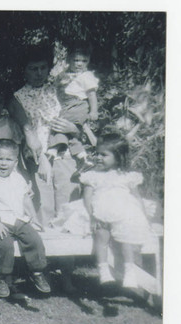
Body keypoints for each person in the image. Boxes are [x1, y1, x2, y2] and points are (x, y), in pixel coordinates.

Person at [8, 44, 81, 226]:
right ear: (24, 70)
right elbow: (23, 134)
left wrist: (73, 128)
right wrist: (41, 158)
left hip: (64, 154)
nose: (39, 73)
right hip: (37, 158)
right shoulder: (18, 98)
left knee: (69, 205)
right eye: (33, 69)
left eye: (42, 68)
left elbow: (77, 117)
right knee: (44, 208)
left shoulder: (58, 91)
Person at [0, 139, 50, 298]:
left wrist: (34, 217)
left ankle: (37, 272)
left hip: (18, 219)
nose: (3, 164)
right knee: (5, 244)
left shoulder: (17, 178)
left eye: (8, 160)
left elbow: (25, 199)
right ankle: (2, 277)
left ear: (15, 162)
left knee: (34, 239)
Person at [80, 133, 150, 288]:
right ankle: (103, 269)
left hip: (123, 212)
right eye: (96, 153)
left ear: (118, 157)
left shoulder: (127, 176)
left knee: (127, 232)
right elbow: (88, 198)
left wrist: (143, 216)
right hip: (99, 211)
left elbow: (137, 198)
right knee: (101, 234)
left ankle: (129, 269)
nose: (98, 157)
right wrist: (92, 216)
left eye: (103, 155)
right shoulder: (92, 175)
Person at [49, 41, 99, 164]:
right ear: (69, 59)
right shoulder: (66, 73)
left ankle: (53, 149)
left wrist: (94, 110)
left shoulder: (86, 76)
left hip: (77, 105)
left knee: (58, 124)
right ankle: (82, 155)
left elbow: (92, 95)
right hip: (67, 104)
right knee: (69, 132)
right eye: (76, 60)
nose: (79, 64)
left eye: (84, 61)